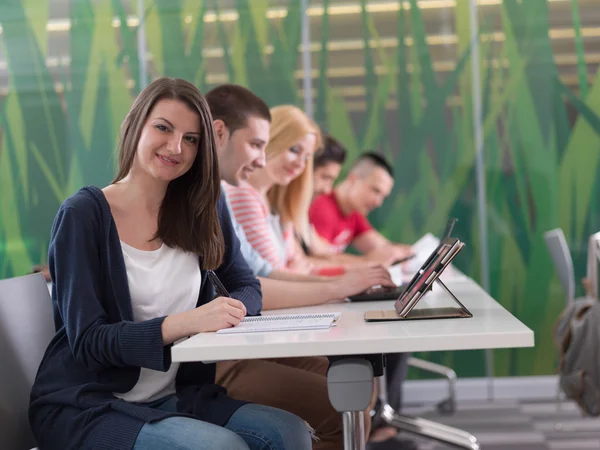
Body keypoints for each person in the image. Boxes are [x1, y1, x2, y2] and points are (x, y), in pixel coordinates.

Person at [28, 77, 312, 450]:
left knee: (288, 433)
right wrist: (185, 323)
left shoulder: (204, 208)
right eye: (163, 127)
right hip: (90, 404)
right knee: (222, 447)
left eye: (191, 138)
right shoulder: (83, 214)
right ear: (136, 125)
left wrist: (229, 311)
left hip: (176, 395)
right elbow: (89, 341)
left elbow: (246, 284)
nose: (176, 147)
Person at [205, 85, 395, 449]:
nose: (261, 161)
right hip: (220, 352)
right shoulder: (234, 195)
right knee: (344, 396)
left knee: (356, 384)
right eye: (258, 146)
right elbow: (259, 281)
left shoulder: (225, 197)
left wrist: (344, 282)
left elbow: (254, 278)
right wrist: (341, 285)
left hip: (236, 338)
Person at [309, 152, 412, 261]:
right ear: (353, 179)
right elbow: (319, 261)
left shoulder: (354, 214)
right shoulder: (322, 208)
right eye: (375, 190)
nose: (378, 202)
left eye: (383, 196)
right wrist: (366, 261)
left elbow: (386, 249)